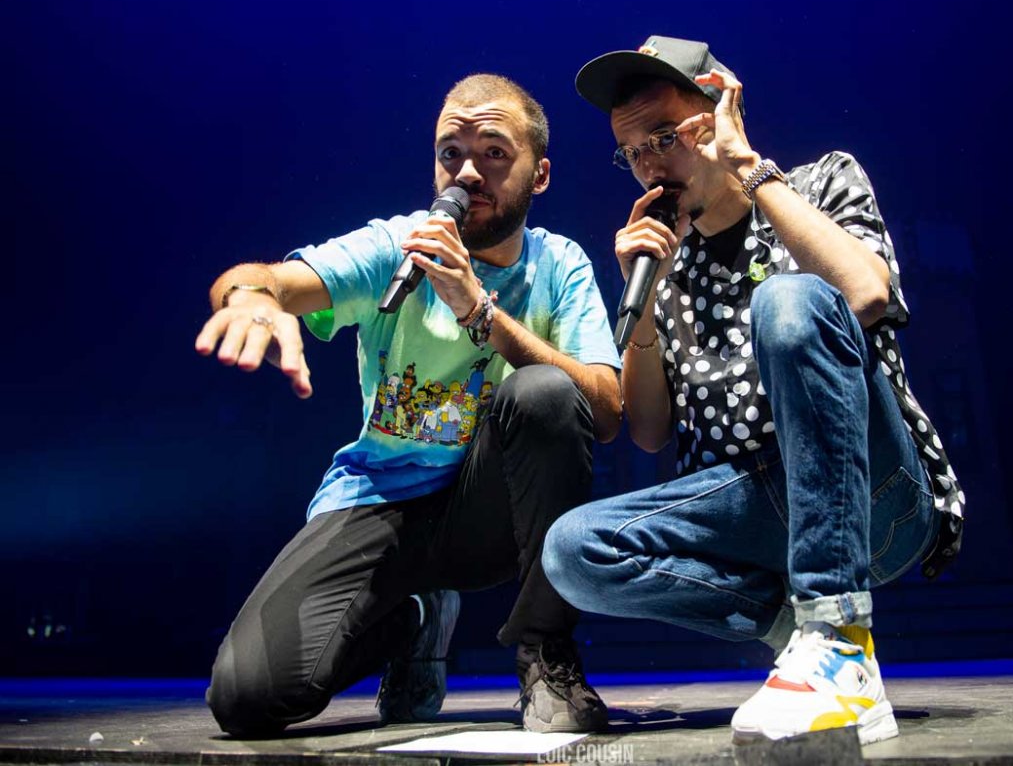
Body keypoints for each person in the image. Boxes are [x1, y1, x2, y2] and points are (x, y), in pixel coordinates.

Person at [542, 36, 965, 745]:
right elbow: (649, 430)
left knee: (788, 299)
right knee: (572, 549)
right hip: (753, 510)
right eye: (632, 152)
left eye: (665, 137)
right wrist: (641, 306)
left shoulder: (819, 182)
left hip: (871, 490)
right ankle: (807, 635)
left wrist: (748, 167)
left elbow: (867, 292)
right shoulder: (666, 264)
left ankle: (835, 629)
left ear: (721, 112)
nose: (650, 165)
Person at [194, 74, 619, 737]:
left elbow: (607, 408)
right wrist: (251, 300)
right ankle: (413, 619)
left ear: (539, 175)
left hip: (489, 513)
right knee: (246, 696)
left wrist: (480, 312)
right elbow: (265, 278)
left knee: (545, 392)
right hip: (379, 500)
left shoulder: (559, 265)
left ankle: (546, 655)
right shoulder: (397, 245)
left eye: (494, 153)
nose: (468, 172)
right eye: (451, 153)